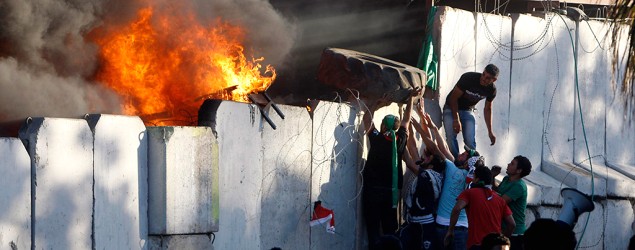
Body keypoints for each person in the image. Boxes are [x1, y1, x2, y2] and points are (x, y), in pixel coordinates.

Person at [362, 88, 420, 249]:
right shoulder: (400, 140)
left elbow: (367, 120)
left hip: (373, 191)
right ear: (395, 128)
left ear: (382, 126)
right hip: (392, 193)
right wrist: (410, 99)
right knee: (389, 231)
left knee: (373, 230)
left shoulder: (377, 138)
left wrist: (375, 103)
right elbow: (406, 119)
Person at [398, 110, 450, 250]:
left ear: (431, 165)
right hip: (413, 220)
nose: (422, 158)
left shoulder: (428, 176)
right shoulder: (429, 173)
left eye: (427, 158)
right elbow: (413, 148)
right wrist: (406, 124)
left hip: (424, 224)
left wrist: (399, 138)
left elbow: (409, 161)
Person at [445, 166, 515, 250]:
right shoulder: (500, 199)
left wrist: (450, 230)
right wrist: (502, 241)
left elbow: (457, 208)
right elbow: (512, 224)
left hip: (476, 244)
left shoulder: (469, 193)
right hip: (495, 246)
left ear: (477, 179)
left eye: (473, 176)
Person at [442, 64, 499, 159]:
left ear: (494, 80)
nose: (483, 78)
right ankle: (455, 163)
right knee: (451, 136)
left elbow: (487, 109)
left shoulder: (492, 90)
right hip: (450, 107)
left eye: (488, 78)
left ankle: (472, 165)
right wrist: (456, 119)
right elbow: (453, 98)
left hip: (467, 110)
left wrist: (490, 131)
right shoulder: (468, 78)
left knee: (470, 140)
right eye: (483, 74)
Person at [434, 150, 482, 250]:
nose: (459, 154)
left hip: (442, 223)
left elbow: (457, 208)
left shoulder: (452, 169)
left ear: (466, 163)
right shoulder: (477, 185)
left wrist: (451, 229)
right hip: (462, 227)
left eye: (464, 155)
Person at [493, 156, 532, 250]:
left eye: (512, 164)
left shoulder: (519, 186)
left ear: (519, 171)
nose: (508, 165)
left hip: (515, 233)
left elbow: (500, 202)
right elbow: (497, 191)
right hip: (503, 229)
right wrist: (492, 176)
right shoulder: (506, 179)